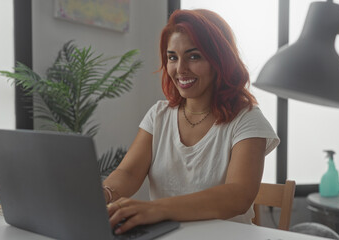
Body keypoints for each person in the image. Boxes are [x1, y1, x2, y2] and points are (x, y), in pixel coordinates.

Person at [103, 9, 279, 235]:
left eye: (194, 56)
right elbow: (128, 173)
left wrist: (155, 209)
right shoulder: (158, 115)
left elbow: (238, 196)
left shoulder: (247, 119)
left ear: (219, 61)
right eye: (172, 57)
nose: (180, 69)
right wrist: (106, 193)